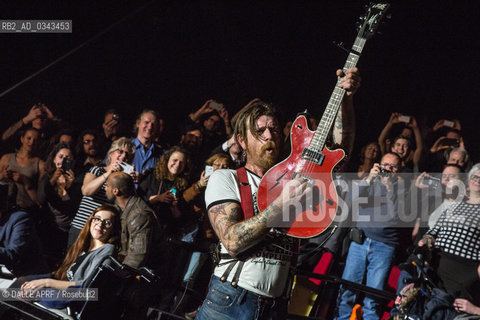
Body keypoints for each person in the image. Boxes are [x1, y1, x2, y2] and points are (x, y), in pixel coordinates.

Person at [195, 67, 360, 320]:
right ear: (241, 140)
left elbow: (340, 152)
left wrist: (346, 99)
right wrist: (281, 206)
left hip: (276, 307)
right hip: (231, 300)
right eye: (260, 131)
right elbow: (232, 240)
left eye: (274, 129)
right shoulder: (226, 178)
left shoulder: (296, 179)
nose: (270, 136)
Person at [334, 152, 407, 320]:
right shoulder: (370, 183)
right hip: (360, 241)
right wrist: (368, 180)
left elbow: (394, 216)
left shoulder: (404, 189)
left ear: (399, 170)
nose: (387, 169)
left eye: (392, 166)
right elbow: (350, 201)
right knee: (348, 288)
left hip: (384, 246)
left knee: (373, 295)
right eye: (385, 165)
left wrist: (389, 189)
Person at [20, 204, 120, 306]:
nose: (100, 224)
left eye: (107, 222)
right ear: (91, 220)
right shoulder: (83, 245)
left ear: (113, 229)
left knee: (14, 295)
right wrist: (35, 281)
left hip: (72, 299)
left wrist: (46, 282)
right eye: (97, 219)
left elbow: (89, 288)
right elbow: (63, 275)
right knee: (19, 284)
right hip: (58, 288)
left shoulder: (108, 249)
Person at [418, 163, 480, 305]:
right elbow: (433, 231)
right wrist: (427, 240)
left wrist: (474, 275)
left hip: (463, 273)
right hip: (435, 265)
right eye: (475, 177)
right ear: (469, 181)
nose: (478, 180)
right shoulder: (454, 205)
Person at [68, 137, 135, 246]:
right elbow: (86, 191)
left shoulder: (123, 182)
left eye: (127, 155)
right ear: (111, 154)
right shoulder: (98, 170)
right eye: (120, 151)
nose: (123, 156)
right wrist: (108, 173)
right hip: (81, 227)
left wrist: (131, 184)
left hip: (101, 232)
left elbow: (125, 207)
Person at [37, 143, 77, 266]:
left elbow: (72, 208)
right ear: (54, 159)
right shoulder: (47, 178)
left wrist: (71, 187)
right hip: (51, 228)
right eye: (60, 156)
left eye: (68, 157)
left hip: (69, 230)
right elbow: (40, 200)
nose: (63, 160)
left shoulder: (77, 179)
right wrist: (53, 180)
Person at [0, 128, 45, 212]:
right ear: (22, 139)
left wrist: (26, 181)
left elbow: (39, 200)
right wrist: (2, 175)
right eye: (29, 138)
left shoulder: (40, 165)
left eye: (35, 140)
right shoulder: (6, 158)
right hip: (4, 208)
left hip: (25, 210)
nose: (31, 142)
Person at [131, 109, 163, 179]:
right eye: (146, 122)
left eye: (153, 124)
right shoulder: (123, 147)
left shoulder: (161, 154)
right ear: (138, 123)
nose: (150, 127)